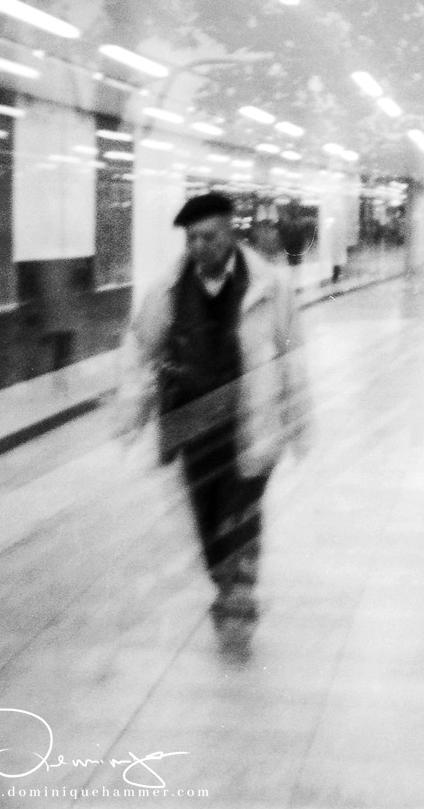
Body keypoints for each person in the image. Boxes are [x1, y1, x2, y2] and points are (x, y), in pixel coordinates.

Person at [115, 192, 310, 622]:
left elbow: (292, 356)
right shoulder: (166, 290)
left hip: (252, 418)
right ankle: (224, 579)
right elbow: (139, 352)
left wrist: (298, 422)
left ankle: (241, 586)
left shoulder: (271, 286)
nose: (199, 247)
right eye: (192, 239)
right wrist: (130, 415)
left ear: (230, 234)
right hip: (193, 426)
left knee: (241, 507)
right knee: (205, 513)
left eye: (208, 238)